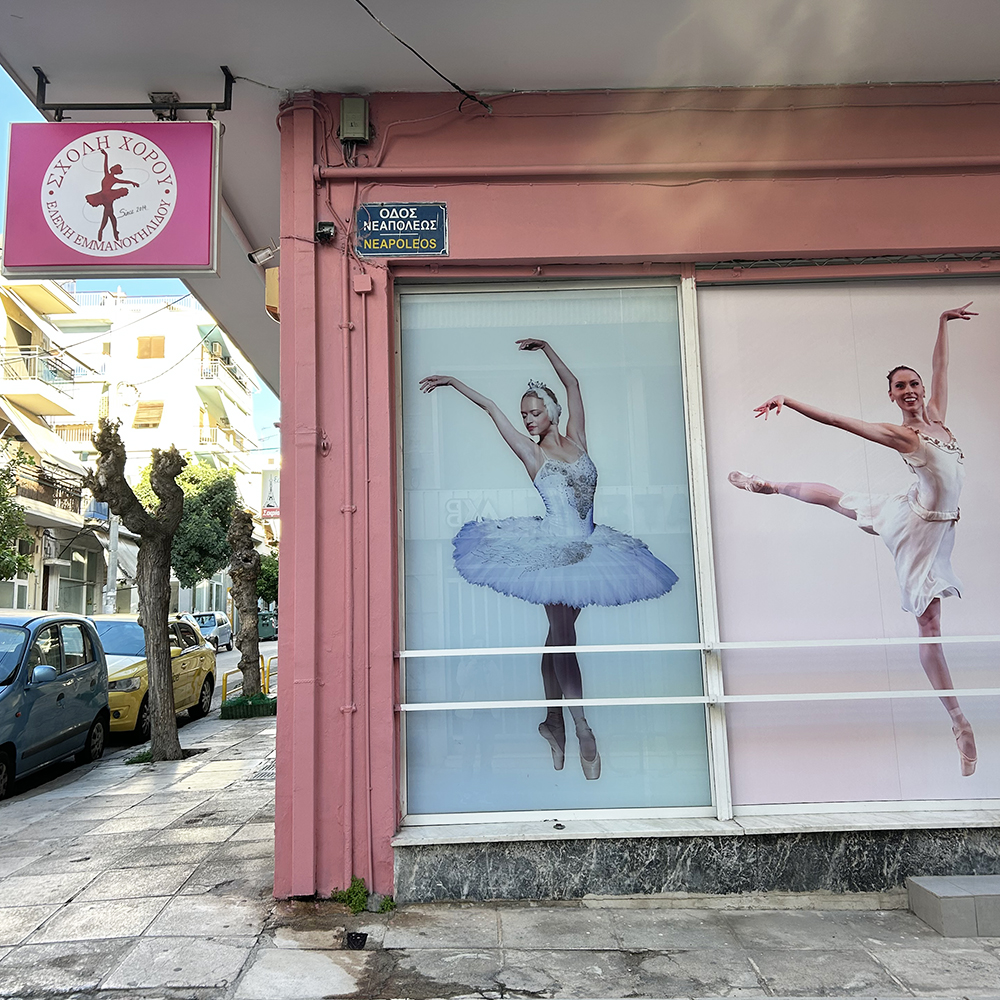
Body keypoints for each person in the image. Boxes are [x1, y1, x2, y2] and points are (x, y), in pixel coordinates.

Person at [728, 304, 978, 776]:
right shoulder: (903, 436)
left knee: (845, 502)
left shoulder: (939, 419)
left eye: (913, 383)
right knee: (928, 625)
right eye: (900, 387)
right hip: (919, 530)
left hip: (933, 519)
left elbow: (941, 367)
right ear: (892, 396)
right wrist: (789, 400)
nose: (910, 390)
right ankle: (959, 722)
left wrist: (942, 322)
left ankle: (770, 485)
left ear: (922, 389)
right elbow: (840, 422)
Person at [420, 339, 678, 780]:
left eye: (534, 412)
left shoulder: (578, 440)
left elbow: (573, 383)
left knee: (556, 637)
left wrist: (546, 348)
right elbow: (490, 409)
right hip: (553, 552)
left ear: (552, 413)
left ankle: (552, 721)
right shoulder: (532, 452)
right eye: (524, 414)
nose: (527, 419)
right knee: (563, 638)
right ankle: (582, 728)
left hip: (592, 549)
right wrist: (454, 382)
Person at [85, 149, 139, 242]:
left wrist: (132, 182)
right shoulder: (111, 177)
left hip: (105, 195)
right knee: (110, 214)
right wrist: (106, 155)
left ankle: (105, 231)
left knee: (109, 214)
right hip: (107, 196)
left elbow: (124, 181)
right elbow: (106, 165)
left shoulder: (108, 175)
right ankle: (110, 231)